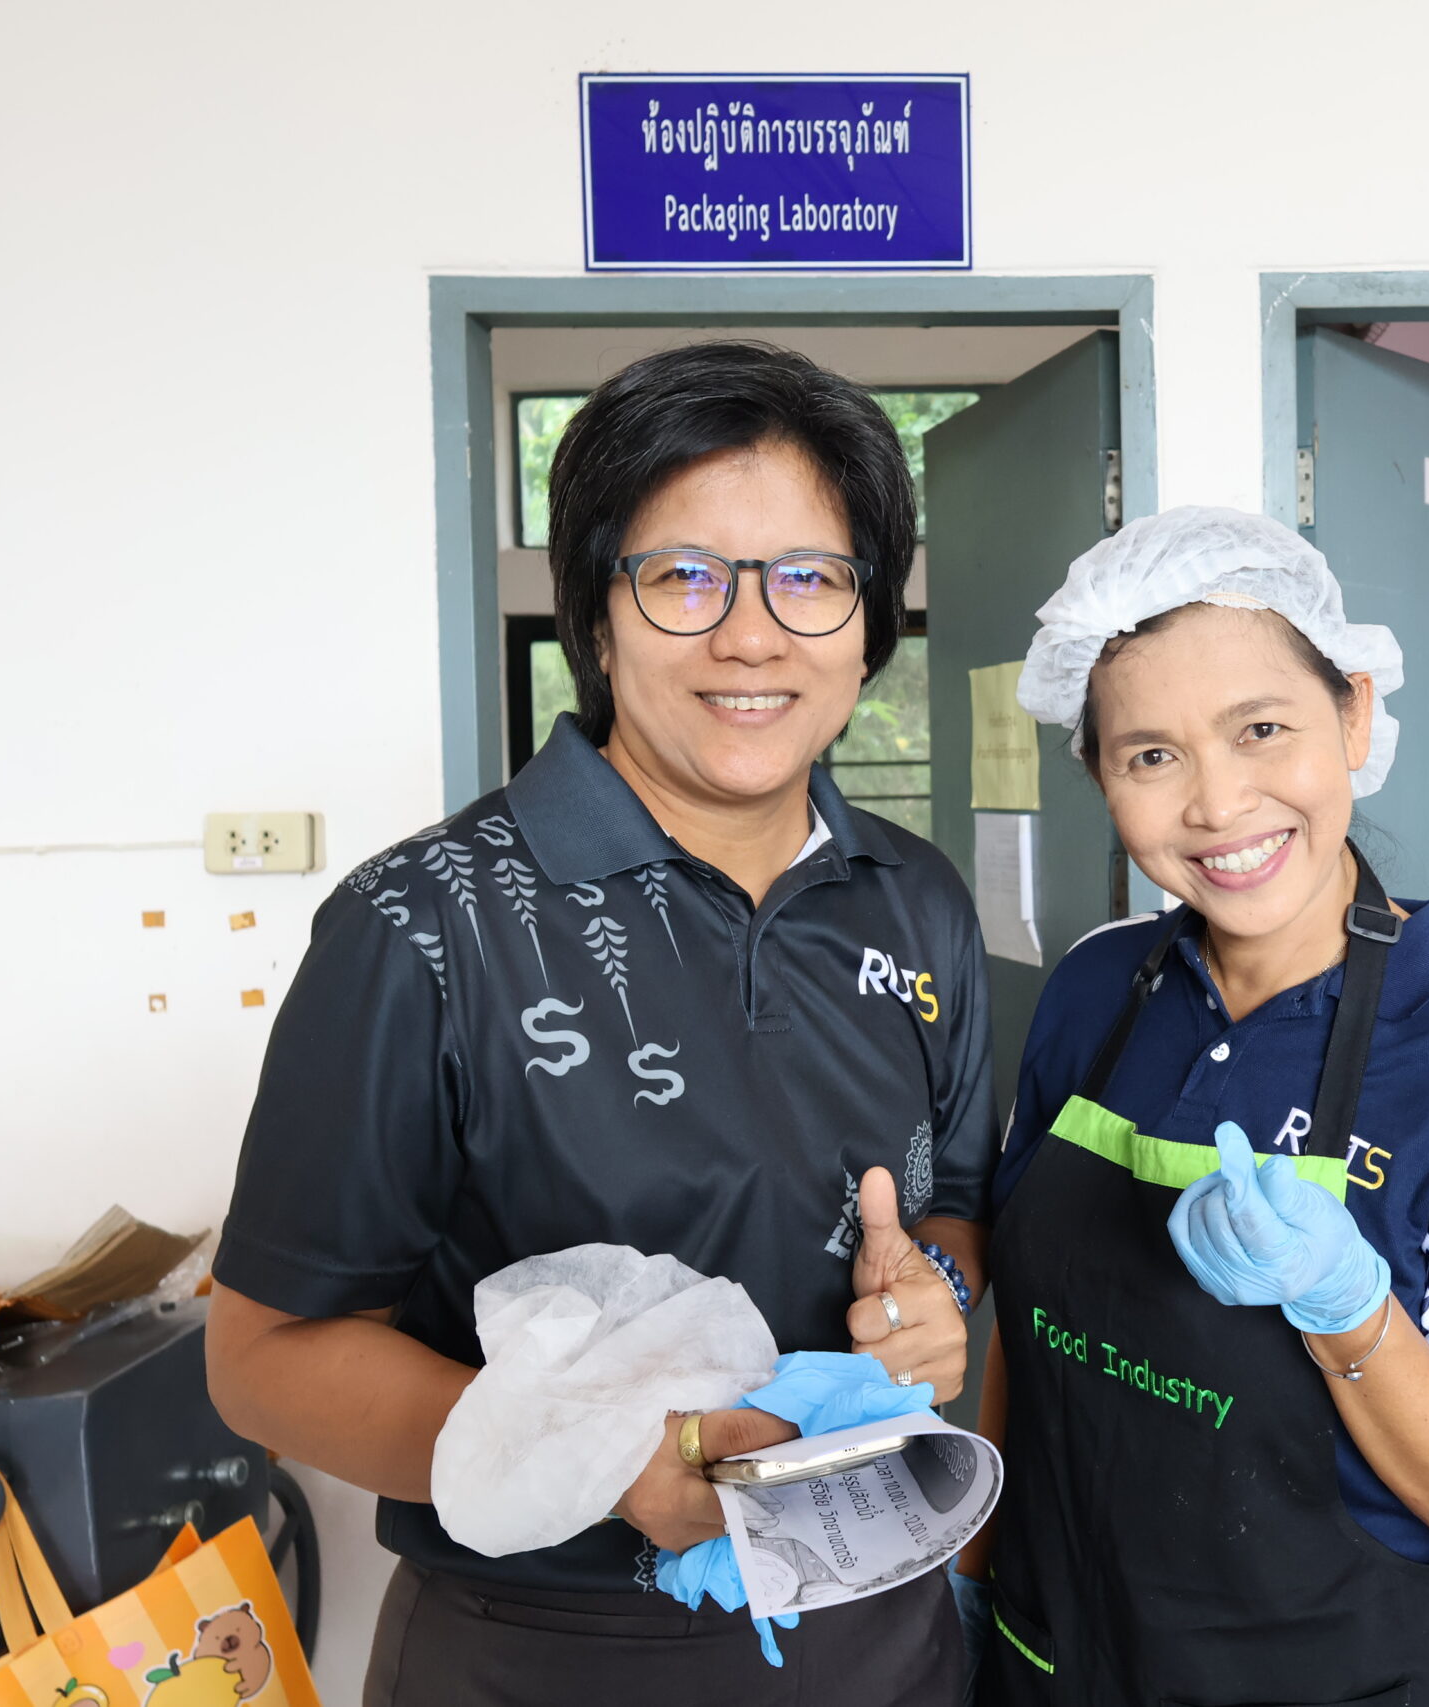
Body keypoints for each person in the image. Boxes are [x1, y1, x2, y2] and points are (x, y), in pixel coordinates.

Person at [205, 341, 991, 1705]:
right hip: (549, 1651)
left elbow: (956, 1209)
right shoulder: (425, 926)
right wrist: (604, 1458)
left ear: (869, 624)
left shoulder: (915, 899)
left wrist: (936, 1299)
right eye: (684, 576)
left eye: (811, 578)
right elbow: (264, 1360)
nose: (752, 636)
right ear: (597, 615)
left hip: (882, 1623)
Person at [965, 507, 1429, 1706]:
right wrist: (972, 1558)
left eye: (1261, 730)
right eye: (1149, 756)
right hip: (1052, 1660)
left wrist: (1348, 1311)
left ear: (1354, 716)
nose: (1217, 805)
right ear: (1100, 776)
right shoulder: (1095, 988)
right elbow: (1027, 1334)